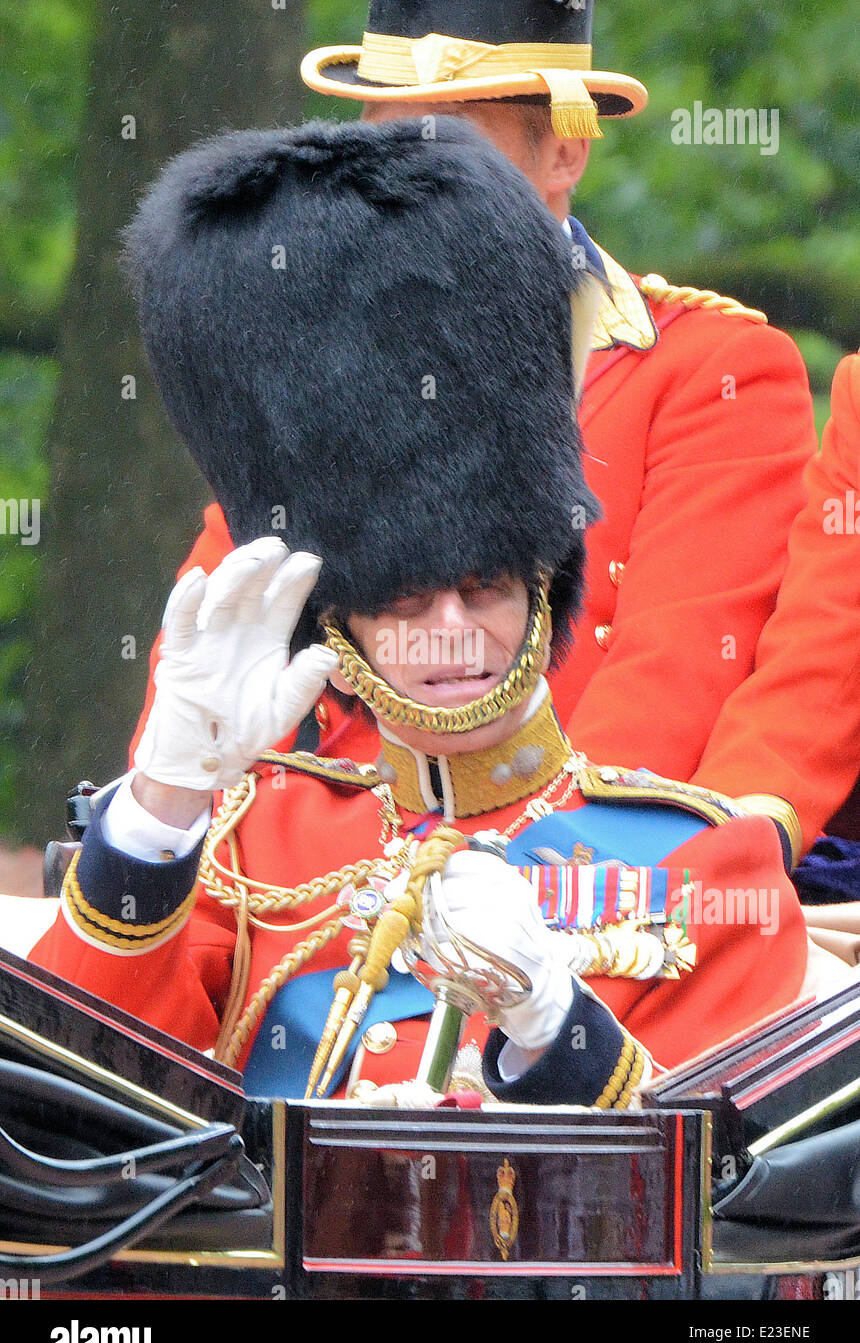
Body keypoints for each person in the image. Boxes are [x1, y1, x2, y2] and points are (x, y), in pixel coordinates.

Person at [31, 119, 808, 1106]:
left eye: (482, 588)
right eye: (400, 597)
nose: (448, 625)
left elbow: (713, 1191)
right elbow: (75, 1104)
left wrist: (551, 1028)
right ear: (340, 620)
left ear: (539, 585)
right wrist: (160, 805)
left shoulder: (700, 860)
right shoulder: (250, 842)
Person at [130, 0, 826, 866]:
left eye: (447, 146)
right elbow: (220, 632)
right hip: (306, 883)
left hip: (570, 881)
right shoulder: (318, 359)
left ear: (564, 151)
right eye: (383, 146)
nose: (402, 188)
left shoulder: (712, 368)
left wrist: (520, 880)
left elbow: (671, 682)